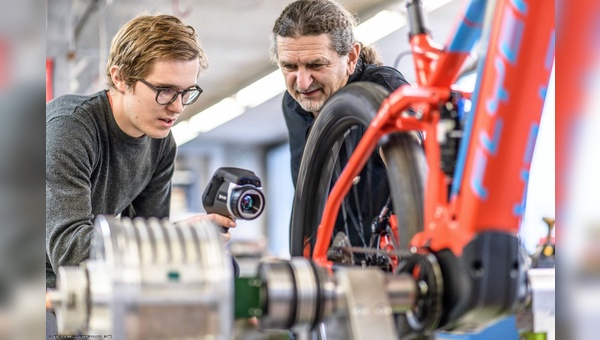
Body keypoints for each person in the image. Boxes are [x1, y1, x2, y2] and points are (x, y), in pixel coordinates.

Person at [46, 14, 236, 296]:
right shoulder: (70, 128)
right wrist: (176, 240)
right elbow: (69, 251)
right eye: (165, 91)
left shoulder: (161, 144)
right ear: (120, 78)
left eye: (187, 92)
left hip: (86, 287)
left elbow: (148, 244)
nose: (177, 107)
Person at [271, 0, 411, 253]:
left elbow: (413, 171)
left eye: (316, 64)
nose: (302, 83)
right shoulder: (293, 106)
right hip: (330, 264)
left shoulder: (383, 88)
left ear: (351, 57)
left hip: (389, 263)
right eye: (289, 66)